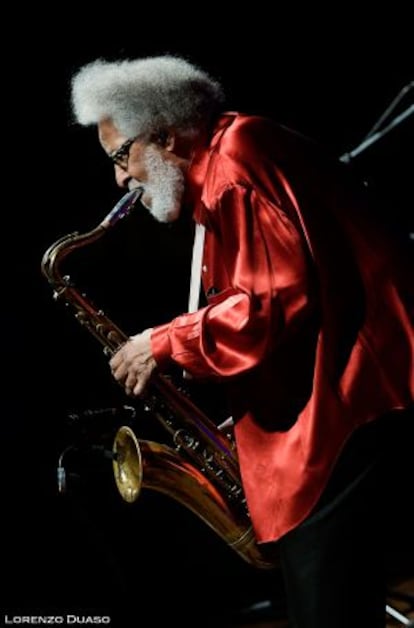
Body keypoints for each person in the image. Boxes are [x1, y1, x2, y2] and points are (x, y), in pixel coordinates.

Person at [70, 55, 413, 627]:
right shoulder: (225, 166)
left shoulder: (236, 161)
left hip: (355, 400)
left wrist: (161, 342)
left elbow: (268, 306)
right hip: (341, 395)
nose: (119, 179)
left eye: (119, 156)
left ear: (161, 131)